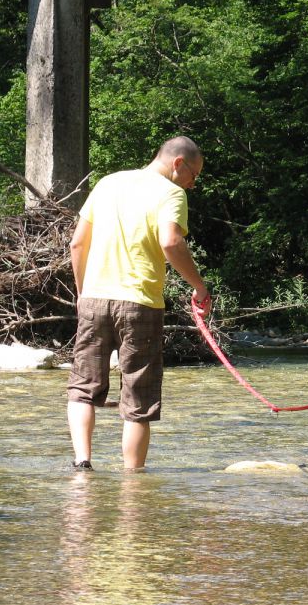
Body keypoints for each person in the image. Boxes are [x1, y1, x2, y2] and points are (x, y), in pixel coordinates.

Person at [66, 136, 211, 470]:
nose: (193, 183)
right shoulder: (172, 193)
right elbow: (171, 242)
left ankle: (82, 462)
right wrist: (200, 288)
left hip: (94, 297)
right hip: (140, 303)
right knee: (138, 394)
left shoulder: (107, 183)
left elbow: (77, 244)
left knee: (83, 386)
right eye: (194, 174)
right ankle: (133, 480)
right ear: (177, 163)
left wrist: (82, 293)